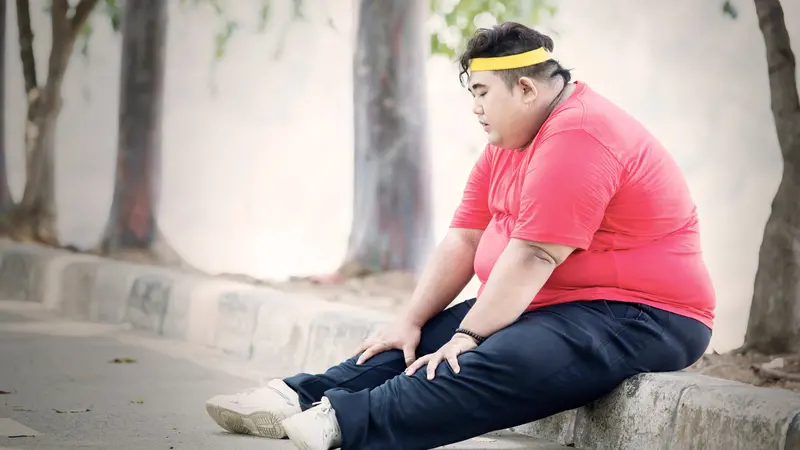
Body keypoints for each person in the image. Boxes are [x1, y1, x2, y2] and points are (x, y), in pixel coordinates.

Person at [204, 21, 715, 450]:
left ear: (527, 89)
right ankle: (302, 396)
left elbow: (536, 253)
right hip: (556, 302)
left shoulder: (579, 133)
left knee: (481, 356)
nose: (475, 107)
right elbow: (465, 240)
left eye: (481, 93)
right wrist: (410, 319)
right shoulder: (509, 140)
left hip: (644, 314)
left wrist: (470, 335)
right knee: (420, 339)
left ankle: (346, 422)